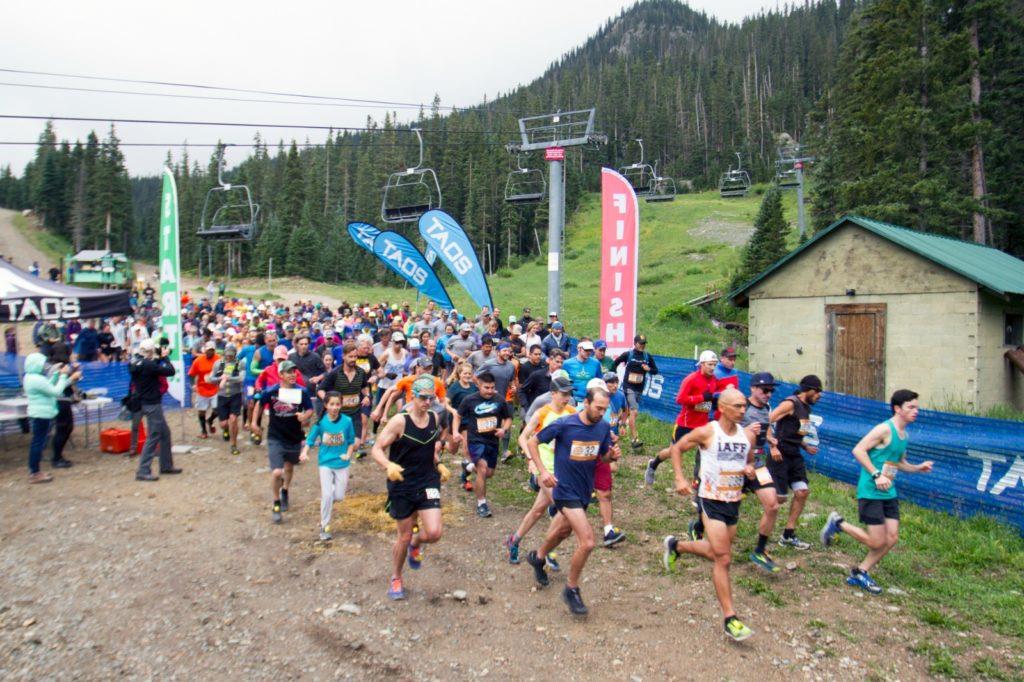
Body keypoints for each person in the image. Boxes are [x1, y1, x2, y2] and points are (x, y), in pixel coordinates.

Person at [662, 387, 759, 642]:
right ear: (723, 408)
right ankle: (730, 618)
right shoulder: (708, 431)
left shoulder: (746, 435)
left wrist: (749, 468)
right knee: (724, 558)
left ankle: (677, 546)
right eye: (738, 406)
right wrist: (680, 478)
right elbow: (677, 448)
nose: (743, 410)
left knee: (716, 550)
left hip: (733, 501)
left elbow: (750, 461)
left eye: (744, 406)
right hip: (710, 499)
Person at [820, 389, 933, 594]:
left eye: (917, 407)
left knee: (891, 538)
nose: (916, 411)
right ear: (898, 409)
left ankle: (860, 572)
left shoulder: (904, 434)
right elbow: (858, 450)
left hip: (888, 492)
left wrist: (918, 468)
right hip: (871, 490)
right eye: (911, 407)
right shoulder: (884, 429)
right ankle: (838, 523)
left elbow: (899, 462)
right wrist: (875, 474)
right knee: (876, 541)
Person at [524, 387, 618, 616]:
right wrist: (542, 470)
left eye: (605, 409)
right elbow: (533, 442)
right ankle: (571, 589)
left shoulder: (603, 427)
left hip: (584, 491)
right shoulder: (565, 424)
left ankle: (538, 558)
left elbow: (602, 456)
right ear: (586, 403)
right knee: (587, 542)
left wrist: (611, 456)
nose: (601, 413)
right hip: (564, 490)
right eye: (598, 408)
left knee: (561, 533)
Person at [371, 376, 451, 600]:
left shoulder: (435, 417)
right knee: (404, 536)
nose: (427, 402)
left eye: (431, 398)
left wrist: (439, 463)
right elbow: (377, 448)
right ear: (413, 396)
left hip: (427, 480)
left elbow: (430, 448)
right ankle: (396, 577)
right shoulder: (400, 421)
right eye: (423, 397)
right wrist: (388, 465)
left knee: (434, 533)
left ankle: (418, 542)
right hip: (403, 482)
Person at [504, 374, 576, 565]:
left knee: (537, 511)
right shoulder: (542, 413)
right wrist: (530, 459)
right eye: (564, 394)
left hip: (562, 467)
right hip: (543, 467)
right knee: (563, 507)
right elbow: (524, 437)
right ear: (553, 393)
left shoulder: (571, 411)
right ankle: (549, 551)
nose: (567, 397)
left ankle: (514, 540)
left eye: (569, 393)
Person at [250, 360, 313, 523]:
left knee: (289, 467)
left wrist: (305, 416)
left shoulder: (301, 391)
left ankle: (285, 490)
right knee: (277, 471)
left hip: (294, 436)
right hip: (275, 436)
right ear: (281, 375)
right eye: (288, 372)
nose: (293, 375)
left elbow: (310, 409)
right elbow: (259, 403)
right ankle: (276, 501)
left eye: (294, 372)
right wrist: (254, 423)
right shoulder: (272, 391)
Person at [645, 350, 718, 485]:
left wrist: (714, 402)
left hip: (702, 424)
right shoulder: (691, 379)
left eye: (715, 365)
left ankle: (699, 483)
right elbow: (680, 399)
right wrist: (701, 398)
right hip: (686, 423)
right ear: (702, 364)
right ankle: (653, 464)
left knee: (705, 452)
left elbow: (709, 398)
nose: (712, 368)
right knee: (673, 451)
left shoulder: (714, 380)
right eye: (710, 364)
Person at [769, 374, 823, 550]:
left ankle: (788, 535)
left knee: (802, 492)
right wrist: (772, 446)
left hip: (795, 455)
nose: (819, 395)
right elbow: (766, 421)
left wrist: (805, 445)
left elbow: (793, 431)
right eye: (818, 392)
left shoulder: (806, 407)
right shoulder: (790, 404)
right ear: (809, 390)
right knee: (779, 499)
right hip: (780, 454)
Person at [455, 372, 512, 518]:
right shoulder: (469, 400)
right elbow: (458, 416)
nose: (490, 391)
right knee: (482, 468)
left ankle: (467, 466)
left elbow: (508, 418)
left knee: (489, 473)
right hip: (475, 440)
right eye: (486, 387)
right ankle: (482, 504)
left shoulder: (499, 399)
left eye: (492, 387)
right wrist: (456, 432)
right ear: (478, 385)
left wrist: (503, 429)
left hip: (492, 441)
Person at [301, 392, 357, 541]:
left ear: (341, 405)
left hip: (342, 463)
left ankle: (329, 496)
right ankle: (325, 525)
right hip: (325, 463)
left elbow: (351, 441)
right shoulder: (321, 423)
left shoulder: (347, 421)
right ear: (325, 405)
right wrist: (305, 452)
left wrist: (348, 454)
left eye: (337, 404)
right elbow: (310, 440)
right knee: (326, 495)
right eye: (331, 404)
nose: (334, 407)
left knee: (338, 496)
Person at [131, 339, 182, 481]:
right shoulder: (148, 365)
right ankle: (143, 470)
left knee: (165, 433)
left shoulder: (136, 362)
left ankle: (166, 465)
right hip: (152, 403)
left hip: (144, 402)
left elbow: (152, 368)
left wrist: (157, 359)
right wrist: (165, 357)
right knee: (153, 436)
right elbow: (170, 371)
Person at [24, 352, 78, 483]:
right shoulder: (35, 379)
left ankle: (35, 471)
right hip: (41, 414)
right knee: (38, 443)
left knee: (39, 442)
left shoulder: (32, 377)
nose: (44, 366)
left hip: (41, 413)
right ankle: (35, 472)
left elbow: (49, 385)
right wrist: (64, 375)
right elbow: (55, 391)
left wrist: (59, 376)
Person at [319, 341, 370, 449]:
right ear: (343, 356)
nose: (353, 359)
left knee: (356, 445)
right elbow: (320, 389)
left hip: (355, 415)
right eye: (350, 356)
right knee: (337, 445)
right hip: (338, 414)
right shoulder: (335, 373)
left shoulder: (361, 372)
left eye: (355, 356)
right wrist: (329, 402)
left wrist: (367, 396)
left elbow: (365, 387)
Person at [613, 334, 659, 448]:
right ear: (635, 343)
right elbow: (616, 362)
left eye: (644, 344)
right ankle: (634, 439)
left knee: (628, 411)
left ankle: (618, 423)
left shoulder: (647, 356)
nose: (642, 346)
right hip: (628, 387)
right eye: (640, 343)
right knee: (634, 412)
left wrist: (649, 369)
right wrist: (613, 376)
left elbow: (655, 370)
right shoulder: (628, 354)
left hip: (639, 388)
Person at [208, 343, 245, 455]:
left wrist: (229, 378)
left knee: (233, 419)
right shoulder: (218, 364)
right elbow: (211, 378)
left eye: (231, 355)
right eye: (227, 355)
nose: (229, 357)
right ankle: (225, 429)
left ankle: (233, 444)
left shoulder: (240, 363)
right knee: (223, 423)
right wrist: (220, 378)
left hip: (235, 395)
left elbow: (241, 377)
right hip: (222, 396)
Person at [188, 341, 220, 439]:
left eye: (211, 350)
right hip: (202, 388)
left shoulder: (219, 359)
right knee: (202, 411)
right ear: (204, 350)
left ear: (214, 350)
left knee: (218, 409)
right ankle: (204, 431)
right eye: (208, 350)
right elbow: (191, 374)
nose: (210, 352)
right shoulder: (198, 360)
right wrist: (193, 384)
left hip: (215, 388)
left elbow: (223, 372)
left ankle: (210, 420)